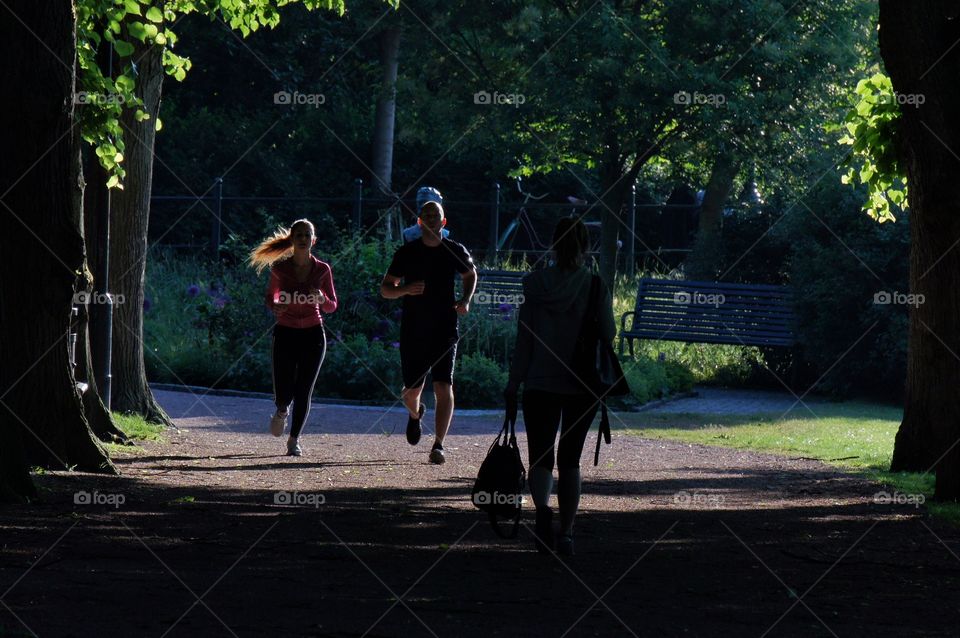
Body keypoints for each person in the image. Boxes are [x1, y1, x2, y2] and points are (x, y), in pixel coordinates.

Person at [504, 217, 615, 555]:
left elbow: (525, 340)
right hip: (582, 383)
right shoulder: (595, 286)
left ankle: (541, 513)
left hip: (540, 381)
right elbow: (609, 334)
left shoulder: (534, 285)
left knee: (541, 455)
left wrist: (513, 383)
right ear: (586, 246)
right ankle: (566, 533)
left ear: (553, 243)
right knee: (571, 459)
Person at [381, 201, 477, 464]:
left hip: (445, 326)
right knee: (411, 391)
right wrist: (405, 289)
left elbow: (471, 274)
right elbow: (386, 288)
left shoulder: (454, 250)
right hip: (414, 328)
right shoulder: (407, 253)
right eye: (427, 215)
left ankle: (438, 445)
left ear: (443, 222)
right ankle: (415, 415)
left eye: (436, 215)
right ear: (420, 221)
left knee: (443, 385)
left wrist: (465, 299)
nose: (432, 219)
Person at [249, 219, 338, 457]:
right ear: (292, 239)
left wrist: (321, 298)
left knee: (304, 390)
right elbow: (271, 297)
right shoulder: (281, 269)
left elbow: (332, 306)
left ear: (313, 240)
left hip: (313, 334)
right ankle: (280, 411)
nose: (302, 239)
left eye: (306, 235)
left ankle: (294, 439)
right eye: (298, 234)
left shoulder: (322, 270)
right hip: (285, 333)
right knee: (284, 391)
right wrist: (276, 307)